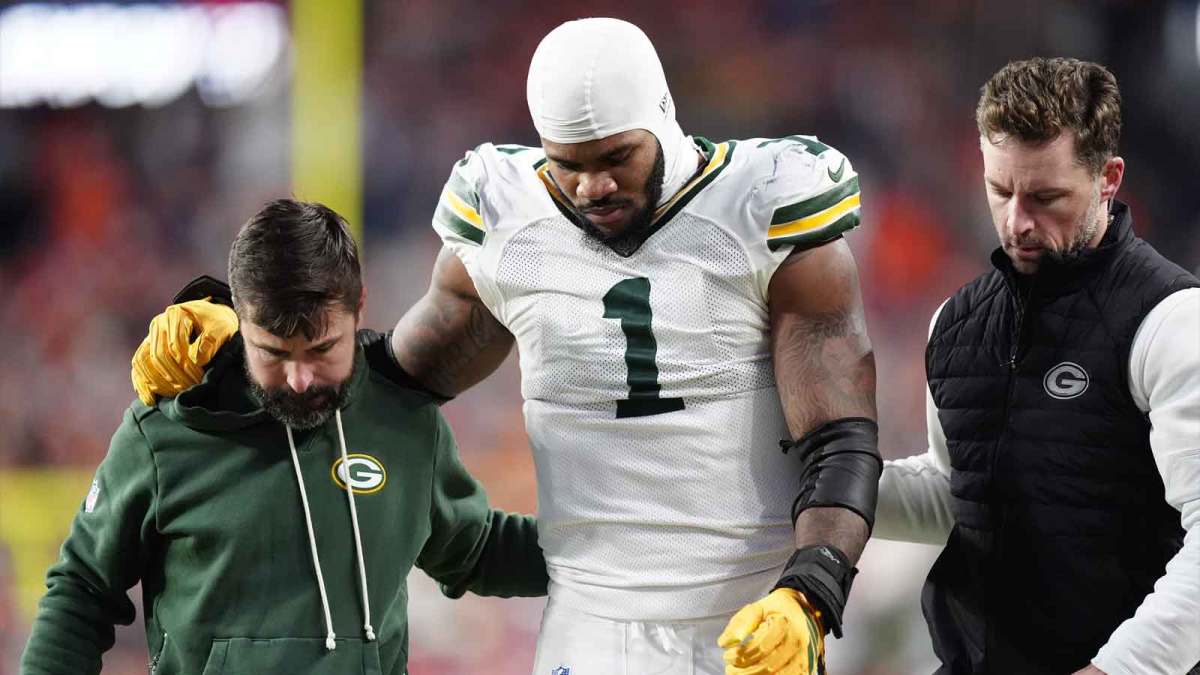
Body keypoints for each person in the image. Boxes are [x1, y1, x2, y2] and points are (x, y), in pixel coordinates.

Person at [130, 19, 883, 674]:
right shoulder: (507, 215)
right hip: (588, 617)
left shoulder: (762, 202)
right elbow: (388, 380)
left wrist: (809, 594)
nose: (590, 187)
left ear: (664, 119)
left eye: (616, 156)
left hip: (751, 610)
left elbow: (842, 439)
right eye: (568, 163)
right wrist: (242, 350)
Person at [21, 199, 548, 675]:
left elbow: (476, 549)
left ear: (359, 307)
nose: (300, 379)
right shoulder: (165, 434)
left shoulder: (405, 419)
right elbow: (82, 591)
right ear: (239, 320)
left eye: (321, 350)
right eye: (273, 353)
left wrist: (618, 546)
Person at [874, 57, 1200, 675]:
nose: (1017, 222)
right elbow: (957, 496)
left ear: (1109, 178)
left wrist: (1118, 671)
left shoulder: (1173, 322)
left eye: (1046, 197)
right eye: (1001, 190)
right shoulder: (955, 323)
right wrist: (827, 484)